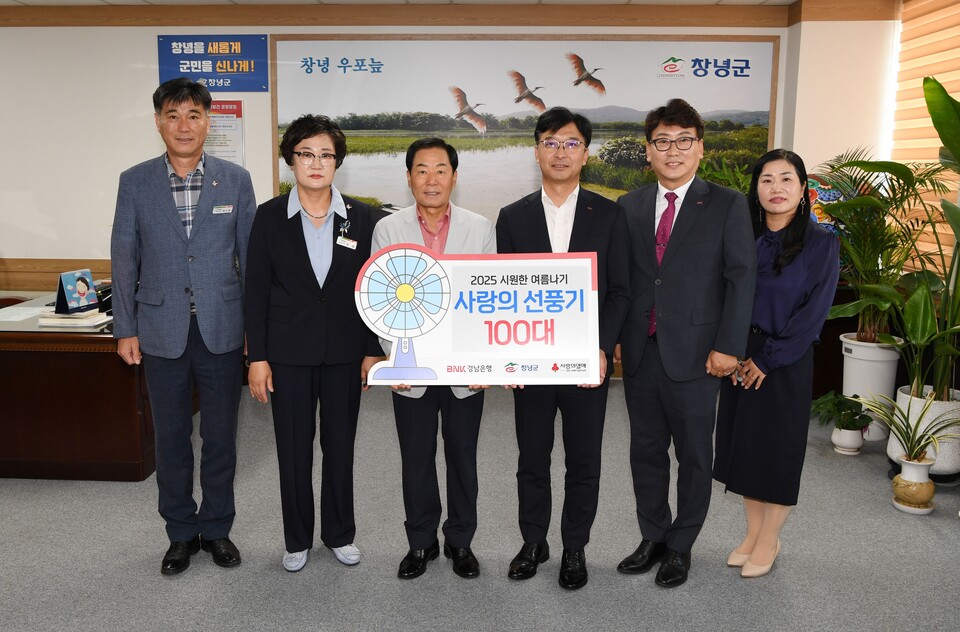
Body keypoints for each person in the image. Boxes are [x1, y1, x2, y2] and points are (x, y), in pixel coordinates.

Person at [111, 77, 256, 576]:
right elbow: (124, 255)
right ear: (158, 122)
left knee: (220, 438)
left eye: (193, 115)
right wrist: (125, 329)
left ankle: (216, 529)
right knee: (171, 439)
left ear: (207, 121)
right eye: (172, 116)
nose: (183, 125)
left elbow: (250, 260)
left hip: (222, 328)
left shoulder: (235, 180)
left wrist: (254, 334)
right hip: (159, 329)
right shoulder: (135, 180)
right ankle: (179, 533)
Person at [616, 98, 757, 588]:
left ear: (700, 147)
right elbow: (623, 281)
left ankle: (681, 545)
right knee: (646, 452)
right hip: (640, 352)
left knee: (695, 455)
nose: (672, 151)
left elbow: (741, 278)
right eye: (662, 142)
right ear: (648, 150)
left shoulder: (727, 203)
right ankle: (652, 535)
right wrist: (613, 339)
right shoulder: (629, 206)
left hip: (700, 355)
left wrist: (729, 346)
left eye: (683, 141)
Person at [244, 115, 386, 573]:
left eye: (326, 154)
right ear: (291, 160)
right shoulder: (268, 217)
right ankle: (297, 538)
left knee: (340, 446)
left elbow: (376, 289)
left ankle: (340, 533)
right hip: (287, 354)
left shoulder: (362, 217)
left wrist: (371, 349)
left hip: (346, 353)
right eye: (306, 153)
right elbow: (256, 292)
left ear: (337, 162)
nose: (316, 163)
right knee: (293, 449)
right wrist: (257, 358)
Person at [496, 107, 631, 591]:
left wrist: (601, 348)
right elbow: (504, 295)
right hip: (529, 361)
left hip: (584, 363)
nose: (560, 152)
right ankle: (533, 541)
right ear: (536, 151)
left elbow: (619, 291)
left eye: (570, 143)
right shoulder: (512, 217)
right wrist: (504, 358)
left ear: (586, 154)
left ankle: (574, 546)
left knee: (583, 460)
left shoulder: (610, 214)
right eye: (550, 142)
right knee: (531, 457)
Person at [371, 138, 496, 580]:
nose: (431, 179)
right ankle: (420, 543)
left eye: (440, 169)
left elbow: (490, 301)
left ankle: (460, 542)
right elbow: (379, 298)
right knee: (416, 456)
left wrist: (484, 363)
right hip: (412, 366)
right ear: (408, 178)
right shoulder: (389, 229)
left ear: (454, 177)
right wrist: (393, 360)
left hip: (465, 366)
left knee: (463, 455)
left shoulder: (480, 228)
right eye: (421, 170)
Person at [713, 149, 839, 578]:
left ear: (804, 189)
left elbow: (813, 314)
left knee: (778, 453)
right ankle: (752, 534)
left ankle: (770, 539)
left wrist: (766, 360)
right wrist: (729, 349)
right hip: (738, 355)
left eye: (787, 179)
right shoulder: (740, 235)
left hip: (784, 361)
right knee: (745, 449)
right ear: (756, 188)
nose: (776, 188)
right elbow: (723, 296)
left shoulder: (822, 243)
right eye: (767, 179)